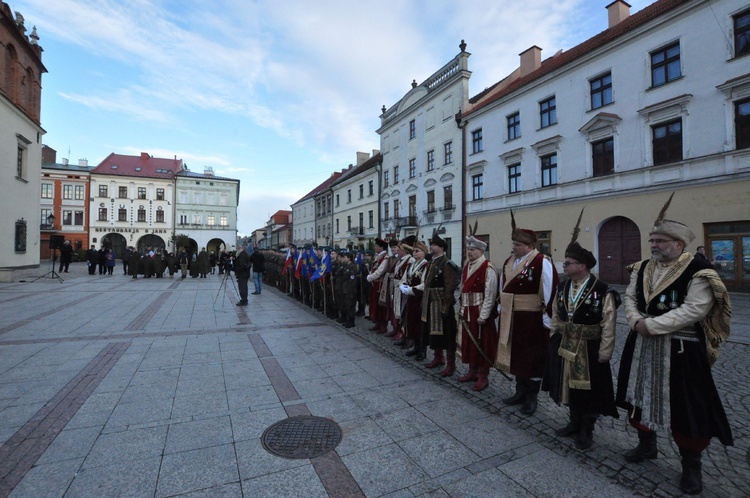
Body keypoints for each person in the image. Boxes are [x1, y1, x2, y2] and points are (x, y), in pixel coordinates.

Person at [616, 194, 732, 495]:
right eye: (652, 240)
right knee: (639, 396)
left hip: (682, 349)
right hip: (641, 343)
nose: (654, 245)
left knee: (688, 407)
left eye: (661, 241)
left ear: (678, 244)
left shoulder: (698, 270)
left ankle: (691, 465)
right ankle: (646, 444)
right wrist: (634, 321)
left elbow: (695, 309)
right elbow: (629, 297)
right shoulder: (641, 268)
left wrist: (651, 325)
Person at [545, 211, 620, 450]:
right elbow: (556, 313)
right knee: (567, 385)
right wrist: (554, 336)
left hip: (590, 347)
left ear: (582, 266)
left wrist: (606, 350)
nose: (564, 265)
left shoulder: (602, 289)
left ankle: (586, 428)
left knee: (588, 389)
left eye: (568, 263)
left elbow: (609, 321)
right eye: (565, 262)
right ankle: (573, 421)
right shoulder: (564, 286)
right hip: (566, 343)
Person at [497, 211, 559, 416]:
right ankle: (519, 391)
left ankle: (532, 397)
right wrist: (501, 306)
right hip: (512, 317)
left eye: (518, 245)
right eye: (513, 244)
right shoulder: (509, 261)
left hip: (532, 317)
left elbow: (551, 289)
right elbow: (503, 286)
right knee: (516, 354)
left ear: (529, 246)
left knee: (532, 357)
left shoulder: (542, 261)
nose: (513, 247)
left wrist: (548, 316)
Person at [457, 229, 498, 392]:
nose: (469, 252)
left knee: (482, 344)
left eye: (472, 249)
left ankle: (483, 376)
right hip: (467, 310)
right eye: (468, 249)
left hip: (479, 312)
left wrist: (484, 315)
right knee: (469, 343)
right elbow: (462, 287)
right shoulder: (467, 266)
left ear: (481, 251)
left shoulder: (488, 267)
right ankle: (472, 371)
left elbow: (490, 293)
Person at [415, 229, 459, 377]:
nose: (431, 247)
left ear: (442, 248)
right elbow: (427, 283)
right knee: (432, 333)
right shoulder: (431, 262)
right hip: (430, 302)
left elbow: (450, 286)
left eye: (434, 245)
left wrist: (446, 306)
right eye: (431, 244)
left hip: (441, 304)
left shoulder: (447, 264)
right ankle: (438, 358)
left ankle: (450, 364)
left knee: (447, 334)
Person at [401, 241, 429, 357]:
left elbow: (425, 283)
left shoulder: (425, 265)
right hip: (411, 298)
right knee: (411, 321)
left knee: (420, 323)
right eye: (413, 251)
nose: (414, 253)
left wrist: (412, 289)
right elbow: (404, 278)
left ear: (423, 252)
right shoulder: (411, 265)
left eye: (417, 251)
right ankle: (415, 346)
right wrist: (402, 286)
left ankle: (422, 349)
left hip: (420, 298)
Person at [366, 238, 390, 334]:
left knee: (380, 305)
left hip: (380, 284)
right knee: (374, 303)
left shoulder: (385, 258)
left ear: (381, 247)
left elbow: (380, 271)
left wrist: (370, 277)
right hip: (375, 283)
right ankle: (377, 322)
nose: (375, 247)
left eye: (376, 246)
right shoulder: (378, 256)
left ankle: (383, 325)